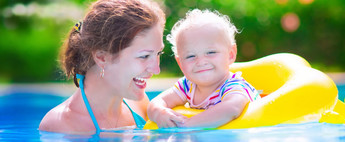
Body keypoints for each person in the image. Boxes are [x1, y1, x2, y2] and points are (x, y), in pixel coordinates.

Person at [39, 0, 165, 134]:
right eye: (144, 56)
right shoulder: (62, 125)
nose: (156, 70)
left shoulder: (140, 106)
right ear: (102, 57)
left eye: (158, 53)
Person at [147, 9, 261, 128]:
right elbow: (155, 103)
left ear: (231, 54)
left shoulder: (234, 86)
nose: (201, 62)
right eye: (191, 56)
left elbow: (231, 109)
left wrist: (186, 126)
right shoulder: (187, 86)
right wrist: (160, 113)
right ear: (180, 63)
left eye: (211, 52)